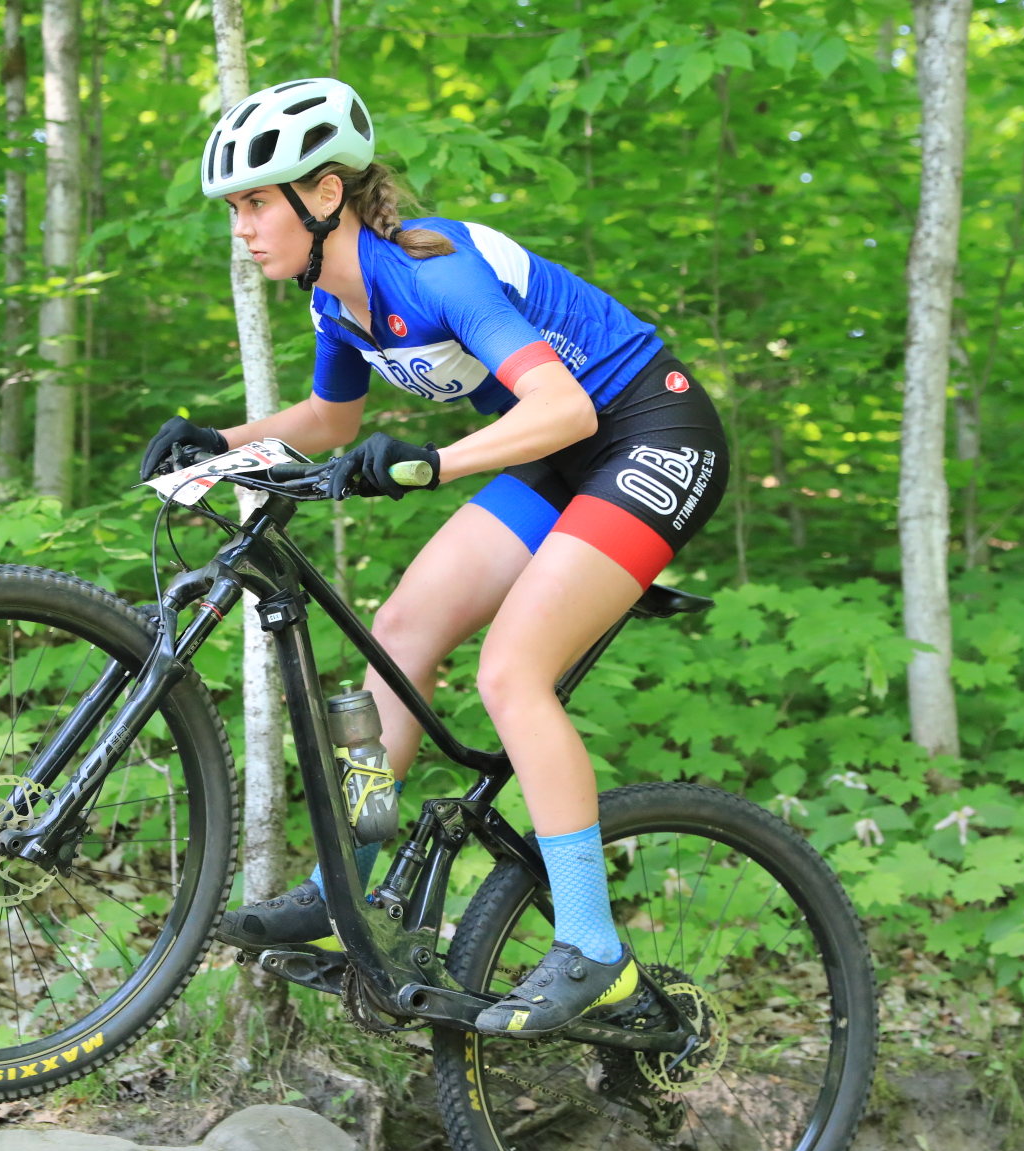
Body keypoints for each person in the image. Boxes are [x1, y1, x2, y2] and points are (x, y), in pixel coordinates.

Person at [139, 78, 728, 1038]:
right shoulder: (341, 303)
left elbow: (567, 407)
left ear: (323, 195)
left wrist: (431, 464)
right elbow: (331, 421)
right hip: (561, 456)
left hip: (650, 434)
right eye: (235, 208)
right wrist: (217, 441)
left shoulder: (433, 264)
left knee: (510, 671)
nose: (241, 228)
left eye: (255, 202)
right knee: (399, 635)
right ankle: (346, 894)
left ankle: (594, 947)